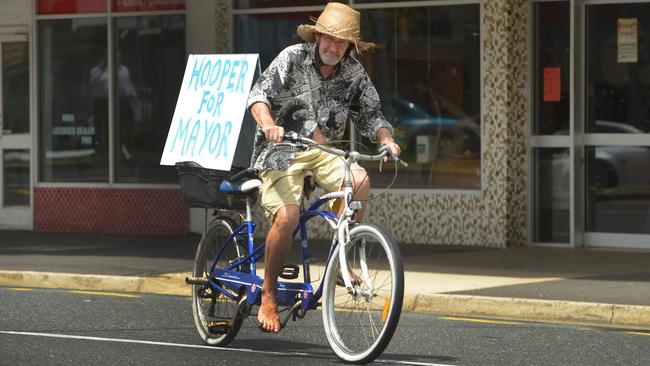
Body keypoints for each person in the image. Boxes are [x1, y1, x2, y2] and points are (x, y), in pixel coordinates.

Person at [246, 3, 401, 333]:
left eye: (341, 42)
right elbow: (258, 95)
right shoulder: (292, 58)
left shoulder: (353, 73)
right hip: (281, 149)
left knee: (358, 181)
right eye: (329, 39)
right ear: (318, 36)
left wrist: (386, 140)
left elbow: (372, 116)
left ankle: (341, 262)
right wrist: (269, 123)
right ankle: (269, 294)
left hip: (321, 150)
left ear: (349, 46)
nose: (333, 47)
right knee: (287, 217)